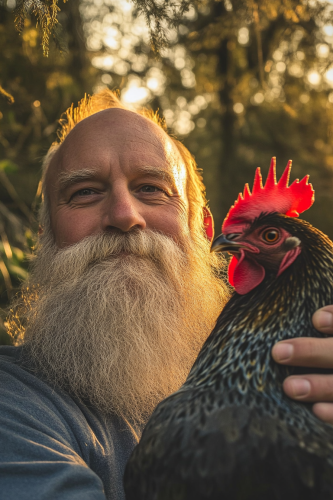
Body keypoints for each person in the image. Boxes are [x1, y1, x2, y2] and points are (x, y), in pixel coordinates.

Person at [1, 89, 333, 500]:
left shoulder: (309, 377)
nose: (124, 216)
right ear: (44, 242)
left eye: (152, 188)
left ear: (204, 233)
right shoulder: (13, 405)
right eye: (85, 191)